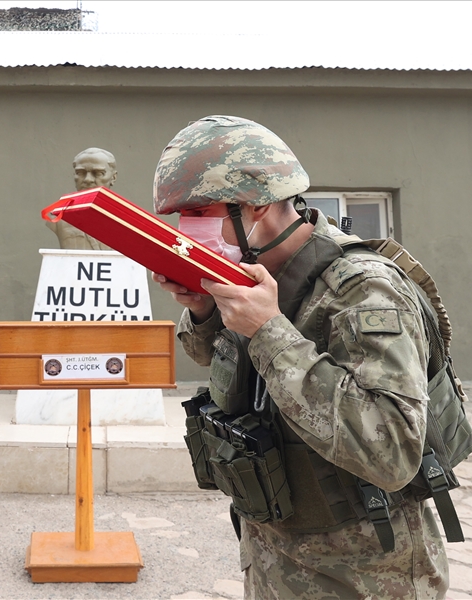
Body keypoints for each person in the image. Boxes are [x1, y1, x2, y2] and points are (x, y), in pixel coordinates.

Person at [152, 116, 448, 598]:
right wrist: (205, 309)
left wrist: (269, 332)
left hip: (363, 573)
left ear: (259, 205)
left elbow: (392, 454)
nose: (188, 229)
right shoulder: (255, 273)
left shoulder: (363, 289)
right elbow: (217, 364)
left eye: (201, 212)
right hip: (276, 556)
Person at [46, 147, 117, 250]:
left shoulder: (127, 219)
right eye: (80, 173)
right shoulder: (58, 215)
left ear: (113, 178)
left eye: (98, 173)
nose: (88, 180)